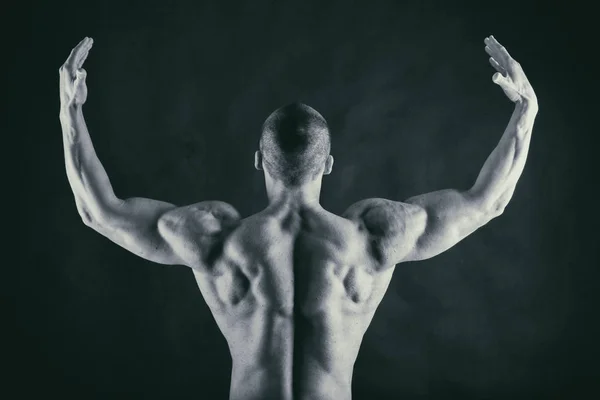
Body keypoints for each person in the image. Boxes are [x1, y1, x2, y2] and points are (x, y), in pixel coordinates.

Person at [59, 35, 538, 400]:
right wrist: (525, 109)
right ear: (328, 164)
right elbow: (487, 201)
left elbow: (97, 210)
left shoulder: (216, 238)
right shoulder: (372, 238)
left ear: (258, 161)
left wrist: (71, 112)